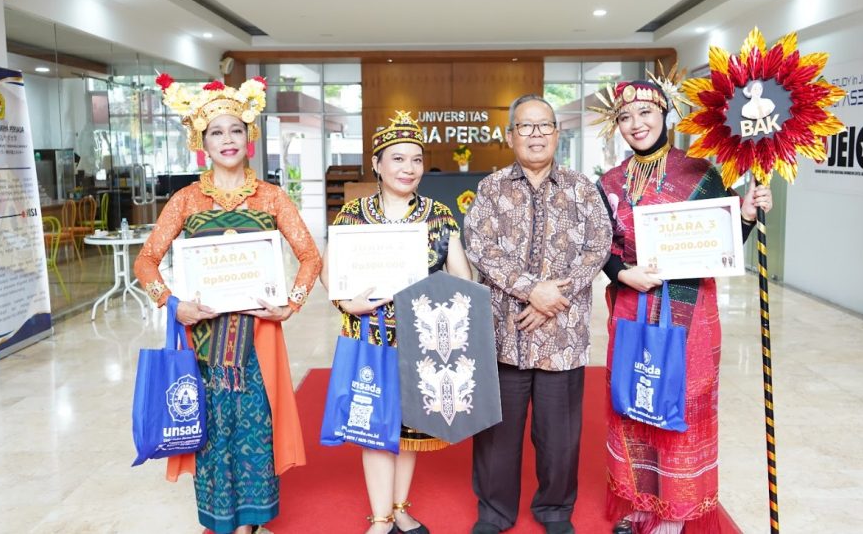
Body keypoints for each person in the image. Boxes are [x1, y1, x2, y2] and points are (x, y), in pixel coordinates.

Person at [134, 75, 322, 534]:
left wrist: (290, 305)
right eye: (216, 132)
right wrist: (172, 302)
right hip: (202, 340)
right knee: (211, 429)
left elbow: (310, 257)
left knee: (256, 425)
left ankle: (250, 522)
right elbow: (147, 260)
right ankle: (219, 519)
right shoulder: (186, 201)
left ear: (249, 136)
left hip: (257, 338)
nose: (227, 140)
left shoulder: (272, 197)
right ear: (203, 142)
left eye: (235, 129)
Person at [595, 80, 772, 534]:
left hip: (691, 311)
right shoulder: (609, 183)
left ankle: (674, 510)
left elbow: (725, 242)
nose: (636, 125)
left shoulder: (701, 173)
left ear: (665, 115)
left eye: (645, 114)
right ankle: (640, 499)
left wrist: (747, 213)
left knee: (682, 398)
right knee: (634, 397)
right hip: (633, 304)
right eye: (626, 118)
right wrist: (621, 273)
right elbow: (598, 249)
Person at [465, 95, 612, 534]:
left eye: (543, 126)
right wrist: (533, 290)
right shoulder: (491, 189)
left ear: (556, 133)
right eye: (525, 127)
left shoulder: (582, 187)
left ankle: (554, 510)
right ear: (510, 135)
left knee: (560, 437)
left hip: (562, 336)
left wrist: (554, 299)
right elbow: (479, 247)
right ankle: (494, 512)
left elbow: (598, 246)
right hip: (504, 333)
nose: (535, 135)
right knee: (496, 436)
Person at [321, 111, 472, 534]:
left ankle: (400, 507)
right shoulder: (354, 213)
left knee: (409, 432)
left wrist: (440, 290)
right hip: (369, 336)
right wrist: (345, 303)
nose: (409, 169)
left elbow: (463, 277)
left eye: (417, 160)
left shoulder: (438, 214)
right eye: (398, 159)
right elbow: (329, 271)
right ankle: (381, 518)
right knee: (374, 427)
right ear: (377, 163)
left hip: (419, 339)